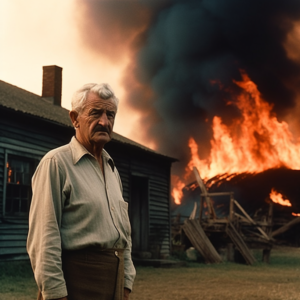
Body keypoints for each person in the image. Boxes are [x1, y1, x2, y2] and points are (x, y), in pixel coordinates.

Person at [27, 83, 136, 300]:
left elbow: (124, 235)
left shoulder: (112, 170)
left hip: (113, 284)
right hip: (76, 284)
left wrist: (126, 282)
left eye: (110, 115)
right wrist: (56, 293)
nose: (104, 122)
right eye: (96, 113)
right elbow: (44, 237)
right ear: (75, 118)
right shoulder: (56, 163)